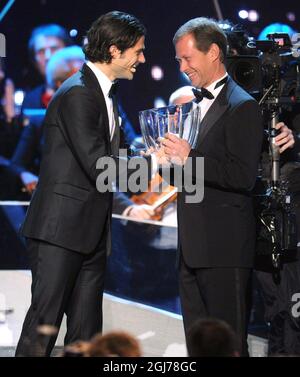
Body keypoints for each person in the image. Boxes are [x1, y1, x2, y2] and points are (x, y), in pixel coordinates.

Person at [15, 11, 153, 357]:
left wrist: (158, 159)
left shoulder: (106, 93)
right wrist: (155, 164)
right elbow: (100, 167)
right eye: (137, 51)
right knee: (44, 326)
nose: (142, 59)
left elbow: (120, 162)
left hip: (91, 232)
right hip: (59, 232)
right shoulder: (78, 94)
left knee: (86, 333)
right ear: (114, 50)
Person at [162, 17, 263, 356]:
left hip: (224, 249)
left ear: (214, 52)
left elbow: (241, 175)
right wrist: (168, 165)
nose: (182, 67)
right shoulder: (190, 108)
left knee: (228, 344)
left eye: (187, 59)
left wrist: (189, 156)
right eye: (178, 60)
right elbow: (190, 178)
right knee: (199, 346)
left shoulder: (243, 106)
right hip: (191, 247)